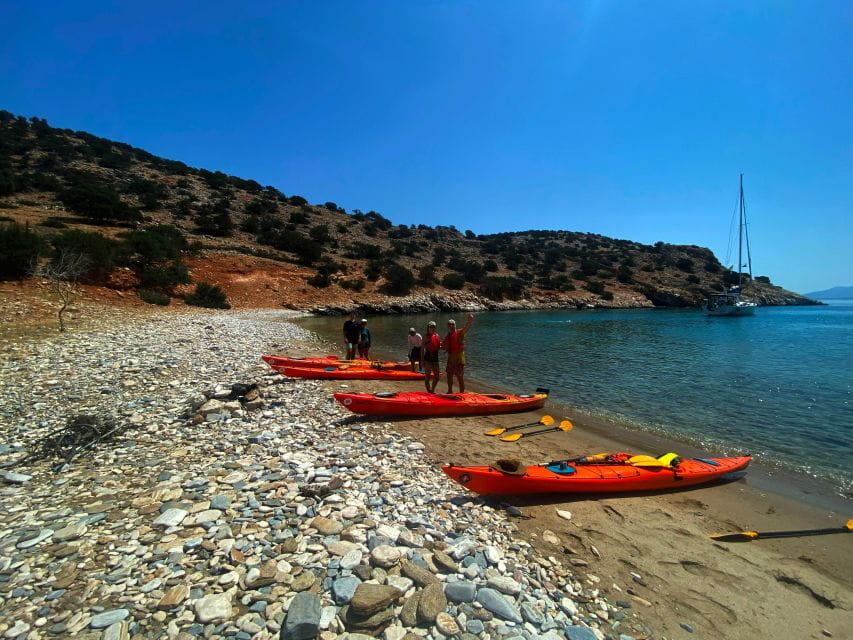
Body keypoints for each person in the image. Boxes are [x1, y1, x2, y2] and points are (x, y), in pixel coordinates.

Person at [444, 312, 474, 393]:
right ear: (447, 326)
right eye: (449, 324)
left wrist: (470, 321)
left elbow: (466, 328)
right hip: (450, 359)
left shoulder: (459, 332)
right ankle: (450, 391)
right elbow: (443, 345)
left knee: (460, 377)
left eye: (452, 324)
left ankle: (462, 394)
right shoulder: (448, 336)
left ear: (455, 325)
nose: (451, 325)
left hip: (459, 359)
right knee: (449, 376)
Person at [421, 320, 441, 392]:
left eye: (434, 327)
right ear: (428, 328)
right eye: (431, 327)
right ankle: (429, 391)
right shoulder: (425, 337)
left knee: (437, 377)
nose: (432, 328)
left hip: (435, 357)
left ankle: (432, 390)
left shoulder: (437, 336)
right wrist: (422, 361)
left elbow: (438, 347)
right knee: (427, 377)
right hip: (428, 358)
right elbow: (422, 350)